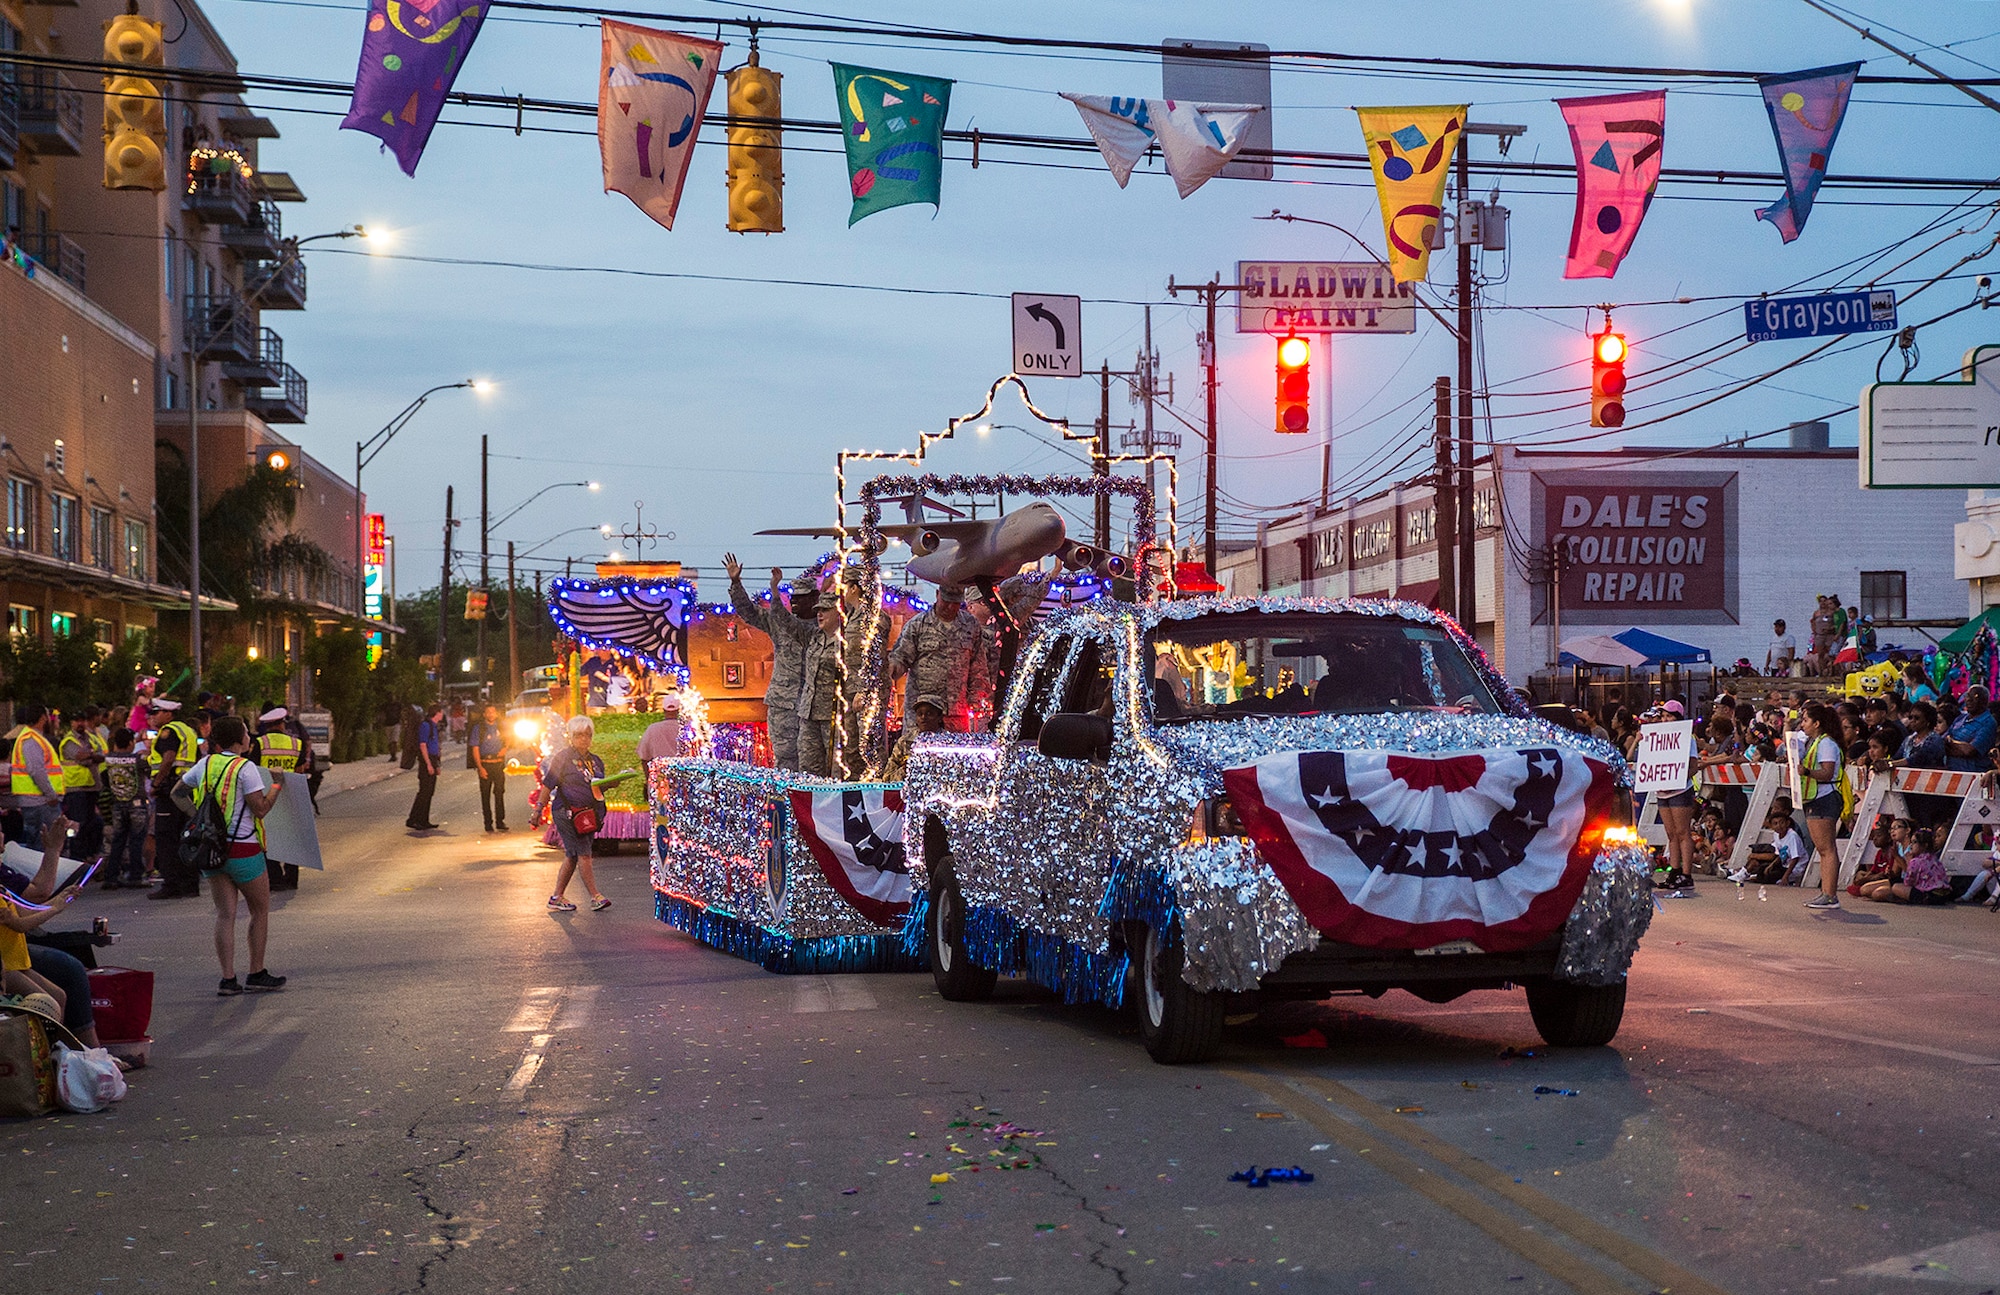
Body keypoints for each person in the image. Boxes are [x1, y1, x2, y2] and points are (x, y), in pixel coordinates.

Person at [172, 715, 287, 995]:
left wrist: (198, 819)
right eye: (247, 733)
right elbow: (259, 809)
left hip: (212, 851)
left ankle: (228, 979)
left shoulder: (205, 764)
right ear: (238, 740)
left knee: (225, 915)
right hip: (244, 847)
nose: (250, 737)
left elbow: (178, 793)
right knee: (259, 910)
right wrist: (276, 787)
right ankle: (257, 972)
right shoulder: (245, 768)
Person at [724, 553, 816, 770]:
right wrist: (736, 583)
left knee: (813, 764)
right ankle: (786, 802)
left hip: (813, 706)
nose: (794, 600)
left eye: (801, 597)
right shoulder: (779, 624)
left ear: (814, 598)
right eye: (793, 596)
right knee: (785, 762)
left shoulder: (825, 627)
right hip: (783, 705)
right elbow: (749, 612)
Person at [1, 816, 82, 1010]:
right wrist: (55, 908)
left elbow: (25, 911)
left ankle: (55, 1041)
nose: (3, 835)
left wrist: (59, 899)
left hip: (18, 959)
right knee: (47, 1004)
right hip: (6, 964)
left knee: (58, 997)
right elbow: (21, 924)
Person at [885, 584, 989, 733]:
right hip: (922, 713)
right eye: (946, 602)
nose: (950, 607)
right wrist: (891, 669)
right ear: (937, 594)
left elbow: (978, 670)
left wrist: (978, 705)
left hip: (955, 715)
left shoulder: (970, 625)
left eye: (956, 603)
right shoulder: (918, 625)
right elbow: (900, 657)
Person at [540, 715, 609, 912]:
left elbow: (598, 787)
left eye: (587, 735)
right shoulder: (563, 758)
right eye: (579, 735)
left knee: (572, 855)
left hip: (588, 815)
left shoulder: (595, 761)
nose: (584, 739)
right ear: (571, 737)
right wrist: (538, 809)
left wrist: (611, 783)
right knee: (584, 854)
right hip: (567, 813)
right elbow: (548, 784)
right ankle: (595, 896)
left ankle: (557, 896)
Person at [147, 699, 206, 899]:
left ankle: (171, 885)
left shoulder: (168, 732)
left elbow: (169, 758)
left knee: (166, 838)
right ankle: (190, 884)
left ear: (169, 714)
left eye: (157, 711)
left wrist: (156, 784)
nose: (153, 715)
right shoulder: (188, 731)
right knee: (187, 836)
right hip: (186, 790)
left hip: (169, 790)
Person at [1798, 702, 1846, 909]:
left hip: (1824, 797)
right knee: (1823, 848)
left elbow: (1827, 772)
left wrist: (1806, 772)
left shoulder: (1826, 744)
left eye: (1806, 720)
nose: (1803, 724)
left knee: (1826, 849)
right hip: (1816, 797)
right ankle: (1826, 893)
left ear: (1817, 723)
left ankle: (1830, 895)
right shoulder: (1815, 742)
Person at [252, 707, 305, 890]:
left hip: (267, 795)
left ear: (267, 725)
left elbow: (254, 770)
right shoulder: (296, 743)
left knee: (269, 837)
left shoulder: (260, 743)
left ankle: (274, 878)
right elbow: (299, 771)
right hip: (289, 795)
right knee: (290, 837)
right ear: (282, 723)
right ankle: (291, 878)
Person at [98, 726, 151, 890]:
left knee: (118, 841)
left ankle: (111, 877)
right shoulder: (138, 760)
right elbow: (150, 772)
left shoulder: (109, 759)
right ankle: (135, 876)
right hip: (137, 805)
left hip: (118, 805)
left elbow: (104, 778)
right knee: (136, 841)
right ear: (130, 743)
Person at [797, 604, 845, 777]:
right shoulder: (814, 637)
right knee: (808, 770)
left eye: (825, 610)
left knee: (836, 770)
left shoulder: (846, 640)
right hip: (809, 713)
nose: (819, 614)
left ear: (838, 611)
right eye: (817, 610)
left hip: (833, 715)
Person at [8, 702, 67, 846]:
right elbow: (37, 771)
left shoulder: (33, 738)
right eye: (48, 716)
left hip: (38, 800)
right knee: (46, 844)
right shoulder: (31, 740)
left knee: (41, 843)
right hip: (40, 801)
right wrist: (51, 794)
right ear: (42, 718)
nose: (49, 719)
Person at [58, 706, 106, 860]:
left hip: (92, 787)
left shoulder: (91, 738)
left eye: (83, 720)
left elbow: (101, 755)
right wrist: (92, 755)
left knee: (93, 824)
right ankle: (78, 859)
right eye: (77, 720)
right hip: (76, 788)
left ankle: (89, 855)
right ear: (72, 723)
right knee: (79, 825)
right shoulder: (68, 741)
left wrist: (90, 756)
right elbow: (79, 756)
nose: (80, 723)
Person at [882, 694, 945, 783]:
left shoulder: (948, 743)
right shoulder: (905, 742)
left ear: (939, 717)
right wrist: (905, 770)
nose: (924, 717)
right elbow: (887, 778)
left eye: (929, 713)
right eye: (920, 714)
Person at [467, 703, 509, 832]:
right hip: (485, 763)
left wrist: (504, 749)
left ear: (496, 714)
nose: (491, 714)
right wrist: (480, 767)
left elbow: (508, 738)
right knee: (485, 795)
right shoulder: (478, 729)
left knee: (499, 792)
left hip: (498, 764)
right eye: (488, 712)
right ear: (484, 714)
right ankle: (488, 823)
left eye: (493, 712)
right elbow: (475, 748)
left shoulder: (501, 726)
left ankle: (500, 821)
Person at [406, 702, 443, 831]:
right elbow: (423, 745)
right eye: (441, 712)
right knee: (424, 792)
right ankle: (413, 819)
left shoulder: (434, 726)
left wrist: (437, 764)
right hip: (426, 760)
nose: (442, 715)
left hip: (432, 760)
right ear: (437, 713)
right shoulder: (426, 726)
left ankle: (424, 819)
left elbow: (435, 746)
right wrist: (428, 764)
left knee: (429, 792)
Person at [1945, 685, 1997, 773]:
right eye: (1968, 696)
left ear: (1984, 701)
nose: (1969, 700)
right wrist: (1959, 747)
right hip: (1952, 772)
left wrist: (1951, 742)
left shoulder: (1989, 723)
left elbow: (1969, 751)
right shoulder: (1960, 718)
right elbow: (1944, 743)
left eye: (1975, 697)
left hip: (1972, 775)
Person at [635, 695, 683, 766]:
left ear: (664, 709)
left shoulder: (652, 728)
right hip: (684, 772)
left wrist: (648, 776)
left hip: (660, 773)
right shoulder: (687, 728)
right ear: (679, 709)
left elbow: (644, 758)